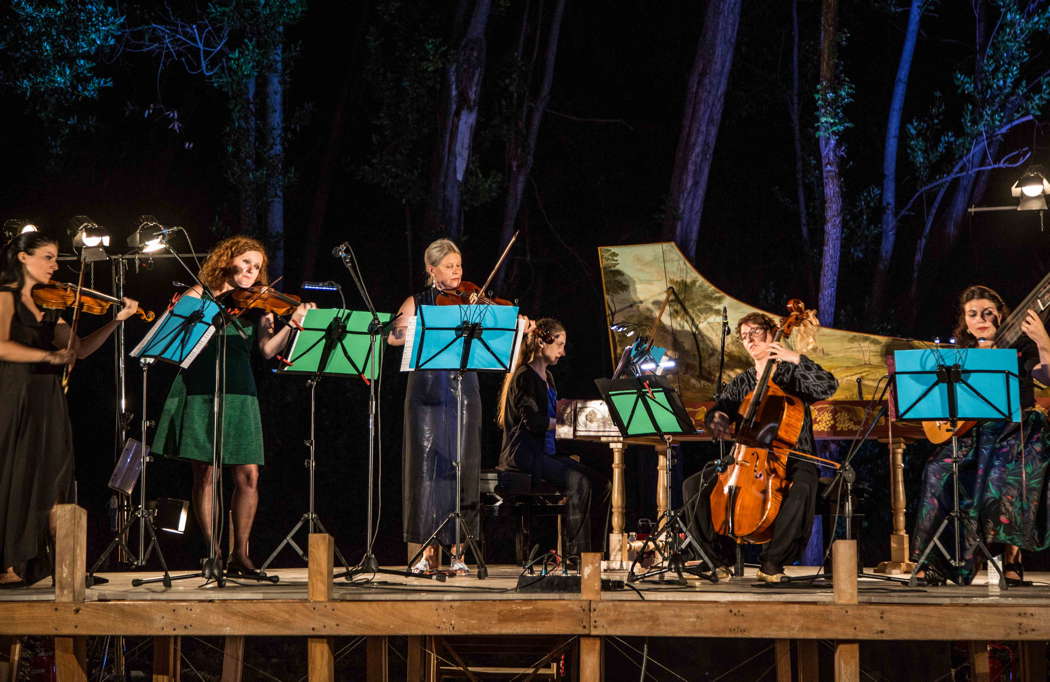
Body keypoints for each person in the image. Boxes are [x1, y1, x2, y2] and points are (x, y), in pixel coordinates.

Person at [151, 236, 314, 577]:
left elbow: (268, 350)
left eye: (257, 267)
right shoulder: (199, 295)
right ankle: (211, 553)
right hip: (200, 389)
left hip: (242, 391)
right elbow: (173, 334)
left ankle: (241, 554)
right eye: (246, 263)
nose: (252, 271)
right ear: (227, 260)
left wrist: (295, 321)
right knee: (205, 473)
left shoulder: (261, 305)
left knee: (249, 475)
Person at [1, 231, 140, 587]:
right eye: (47, 257)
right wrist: (49, 355)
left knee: (53, 479)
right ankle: (9, 564)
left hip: (48, 400)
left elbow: (78, 349)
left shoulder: (50, 305)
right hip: (15, 396)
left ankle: (63, 566)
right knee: (16, 476)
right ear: (22, 258)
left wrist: (116, 321)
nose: (55, 265)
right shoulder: (4, 297)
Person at [681, 312, 839, 583]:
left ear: (771, 334)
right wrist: (717, 419)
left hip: (792, 455)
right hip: (745, 459)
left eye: (755, 333)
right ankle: (715, 561)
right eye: (744, 336)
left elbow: (828, 386)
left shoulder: (792, 374)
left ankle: (773, 563)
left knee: (802, 486)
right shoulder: (742, 382)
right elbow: (721, 409)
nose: (749, 340)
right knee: (692, 486)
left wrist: (795, 358)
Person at [910, 285, 1050, 586]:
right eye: (972, 314)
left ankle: (1012, 561)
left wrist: (1043, 341)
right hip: (972, 435)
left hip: (1015, 431)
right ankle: (933, 562)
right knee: (936, 470)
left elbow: (1047, 375)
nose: (980, 319)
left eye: (988, 313)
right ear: (965, 321)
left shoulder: (1020, 350)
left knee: (1003, 476)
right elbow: (939, 398)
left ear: (1000, 315)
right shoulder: (957, 356)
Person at [388, 238, 485, 573]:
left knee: (463, 467)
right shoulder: (419, 300)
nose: (456, 272)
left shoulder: (472, 300)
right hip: (428, 392)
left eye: (458, 266)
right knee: (427, 470)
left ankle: (459, 552)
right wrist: (416, 328)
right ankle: (426, 552)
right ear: (432, 270)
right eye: (449, 266)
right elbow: (392, 336)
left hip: (464, 389)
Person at [496, 319, 608, 565]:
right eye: (559, 344)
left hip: (544, 453)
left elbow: (554, 417)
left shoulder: (548, 378)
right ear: (540, 342)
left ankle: (594, 553)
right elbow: (534, 422)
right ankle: (575, 557)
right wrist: (567, 423)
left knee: (602, 483)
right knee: (579, 482)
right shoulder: (525, 376)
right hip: (524, 455)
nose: (563, 352)